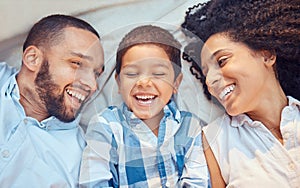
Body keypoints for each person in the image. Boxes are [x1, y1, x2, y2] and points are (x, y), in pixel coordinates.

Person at [181, 0, 300, 187]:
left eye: (221, 61)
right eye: (206, 74)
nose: (210, 81)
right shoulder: (214, 141)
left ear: (266, 55)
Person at [79, 25, 210, 187]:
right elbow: (93, 182)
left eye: (158, 74)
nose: (144, 82)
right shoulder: (105, 125)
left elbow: (198, 182)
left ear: (176, 83)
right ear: (118, 83)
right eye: (132, 74)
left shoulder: (189, 126)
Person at [0, 14, 104, 187]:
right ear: (33, 59)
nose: (92, 85)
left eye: (96, 74)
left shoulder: (84, 164)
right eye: (77, 64)